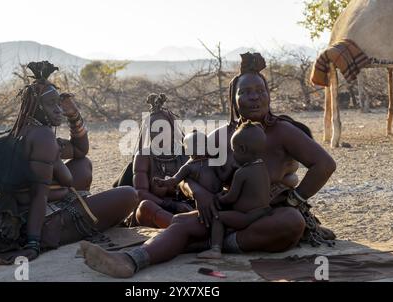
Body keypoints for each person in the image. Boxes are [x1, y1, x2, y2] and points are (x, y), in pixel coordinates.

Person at [79, 52, 337, 278]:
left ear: (269, 95)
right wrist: (199, 192)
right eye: (246, 92)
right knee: (181, 223)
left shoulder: (282, 131)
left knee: (291, 222)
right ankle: (130, 261)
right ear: (233, 99)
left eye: (261, 91)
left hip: (266, 214)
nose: (255, 98)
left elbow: (324, 165)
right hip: (223, 214)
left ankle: (213, 244)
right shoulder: (219, 137)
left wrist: (295, 198)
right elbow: (189, 174)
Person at [0, 61, 138, 262]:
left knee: (84, 164)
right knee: (129, 195)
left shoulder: (27, 130)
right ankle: (56, 232)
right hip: (43, 220)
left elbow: (80, 150)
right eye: (51, 104)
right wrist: (33, 243)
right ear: (36, 107)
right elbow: (40, 194)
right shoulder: (43, 138)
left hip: (37, 205)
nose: (58, 110)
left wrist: (74, 115)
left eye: (58, 104)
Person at [197, 121, 271, 259]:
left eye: (234, 150)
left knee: (218, 217)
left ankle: (215, 249)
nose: (233, 154)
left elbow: (231, 198)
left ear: (242, 149)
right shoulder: (262, 167)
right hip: (263, 211)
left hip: (246, 216)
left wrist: (219, 198)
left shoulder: (241, 173)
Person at [128, 93, 193, 228]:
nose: (158, 134)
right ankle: (183, 229)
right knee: (146, 206)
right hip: (157, 211)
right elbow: (140, 193)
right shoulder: (143, 156)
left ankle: (185, 228)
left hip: (186, 208)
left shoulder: (185, 153)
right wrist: (171, 205)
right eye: (154, 130)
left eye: (163, 129)